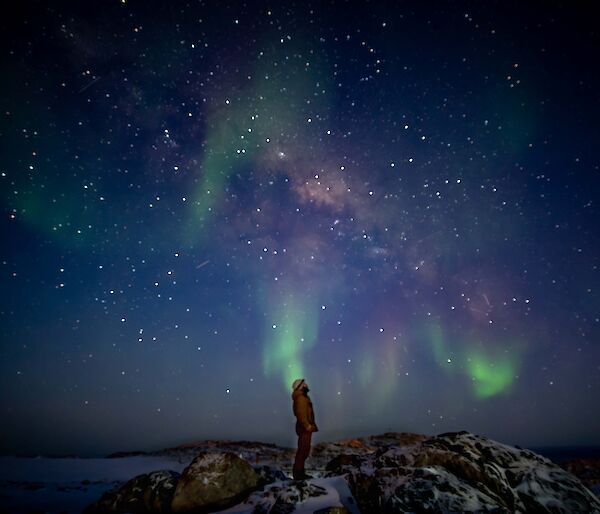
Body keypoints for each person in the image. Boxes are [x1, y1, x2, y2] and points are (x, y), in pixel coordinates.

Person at [291, 378, 318, 480]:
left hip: (305, 427)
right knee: (303, 450)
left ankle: (300, 472)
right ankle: (298, 473)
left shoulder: (303, 397)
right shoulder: (301, 398)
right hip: (305, 428)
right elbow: (301, 414)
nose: (307, 385)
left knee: (304, 450)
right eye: (304, 384)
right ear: (301, 386)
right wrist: (307, 425)